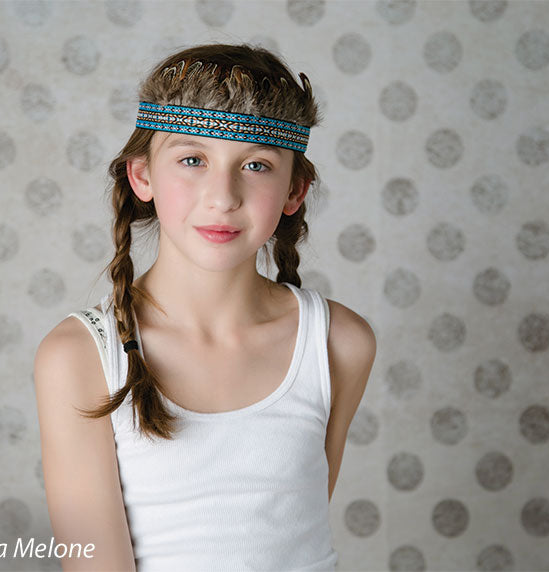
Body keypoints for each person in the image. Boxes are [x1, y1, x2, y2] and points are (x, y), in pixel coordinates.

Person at [33, 43, 376, 571]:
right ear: (142, 176)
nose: (223, 196)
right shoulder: (79, 358)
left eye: (256, 164)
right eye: (192, 160)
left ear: (294, 190)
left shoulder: (339, 344)